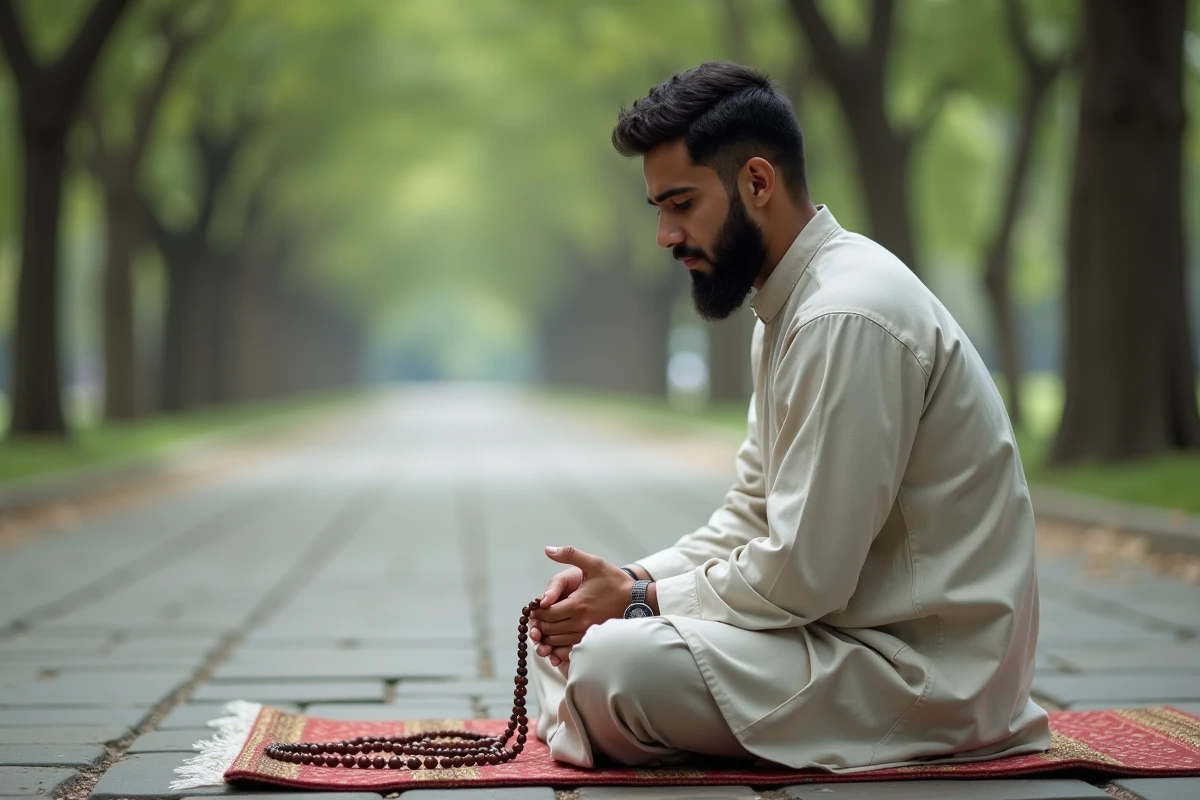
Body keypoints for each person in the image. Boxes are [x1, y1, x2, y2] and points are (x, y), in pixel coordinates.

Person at [528, 61, 1051, 773]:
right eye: (658, 208)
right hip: (843, 640)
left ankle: (595, 716)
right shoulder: (789, 308)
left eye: (680, 204)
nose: (664, 235)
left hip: (921, 675)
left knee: (615, 667)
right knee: (589, 648)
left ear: (756, 183)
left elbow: (807, 574)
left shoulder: (845, 314)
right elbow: (751, 515)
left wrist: (640, 603)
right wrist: (619, 581)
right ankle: (596, 713)